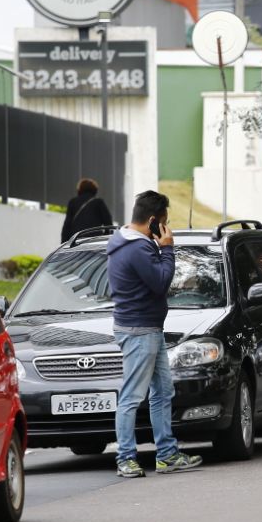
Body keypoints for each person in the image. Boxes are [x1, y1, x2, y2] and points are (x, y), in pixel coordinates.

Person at [106, 190, 202, 478]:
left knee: (162, 391)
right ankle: (125, 457)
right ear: (152, 221)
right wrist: (168, 247)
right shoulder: (138, 248)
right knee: (132, 396)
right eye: (163, 222)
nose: (165, 228)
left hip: (146, 327)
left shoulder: (121, 240)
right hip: (140, 330)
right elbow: (161, 282)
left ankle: (167, 454)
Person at [61, 178, 113, 243]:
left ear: (80, 189)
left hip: (76, 240)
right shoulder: (98, 202)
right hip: (94, 240)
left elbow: (67, 225)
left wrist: (64, 243)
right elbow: (108, 223)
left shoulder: (73, 202)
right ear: (94, 189)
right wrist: (105, 237)